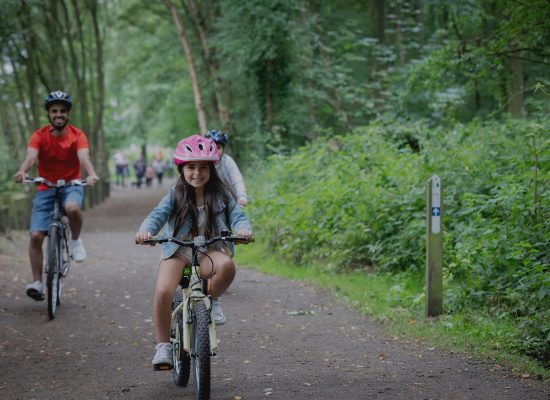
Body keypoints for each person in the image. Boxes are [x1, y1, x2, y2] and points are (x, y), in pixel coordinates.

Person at [135, 134, 253, 370]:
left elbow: (238, 217)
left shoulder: (222, 195)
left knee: (227, 267)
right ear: (181, 169)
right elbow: (156, 216)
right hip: (179, 251)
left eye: (203, 167)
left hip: (209, 249)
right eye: (191, 167)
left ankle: (213, 298)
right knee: (163, 291)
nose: (197, 173)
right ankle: (164, 346)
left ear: (212, 169)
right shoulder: (174, 194)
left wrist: (243, 230)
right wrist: (145, 231)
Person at [13, 91, 100, 301]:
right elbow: (30, 157)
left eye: (62, 110)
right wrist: (23, 171)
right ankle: (37, 282)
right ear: (48, 114)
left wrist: (91, 174)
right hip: (46, 186)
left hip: (71, 184)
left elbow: (84, 157)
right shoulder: (39, 135)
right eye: (54, 111)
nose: (58, 114)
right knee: (35, 236)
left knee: (72, 208)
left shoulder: (77, 135)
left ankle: (76, 240)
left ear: (67, 113)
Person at [203, 130, 248, 207]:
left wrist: (242, 196)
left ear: (223, 149)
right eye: (211, 148)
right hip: (211, 203)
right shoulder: (203, 164)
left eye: (218, 148)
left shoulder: (227, 161)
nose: (215, 151)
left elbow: (237, 180)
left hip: (231, 200)